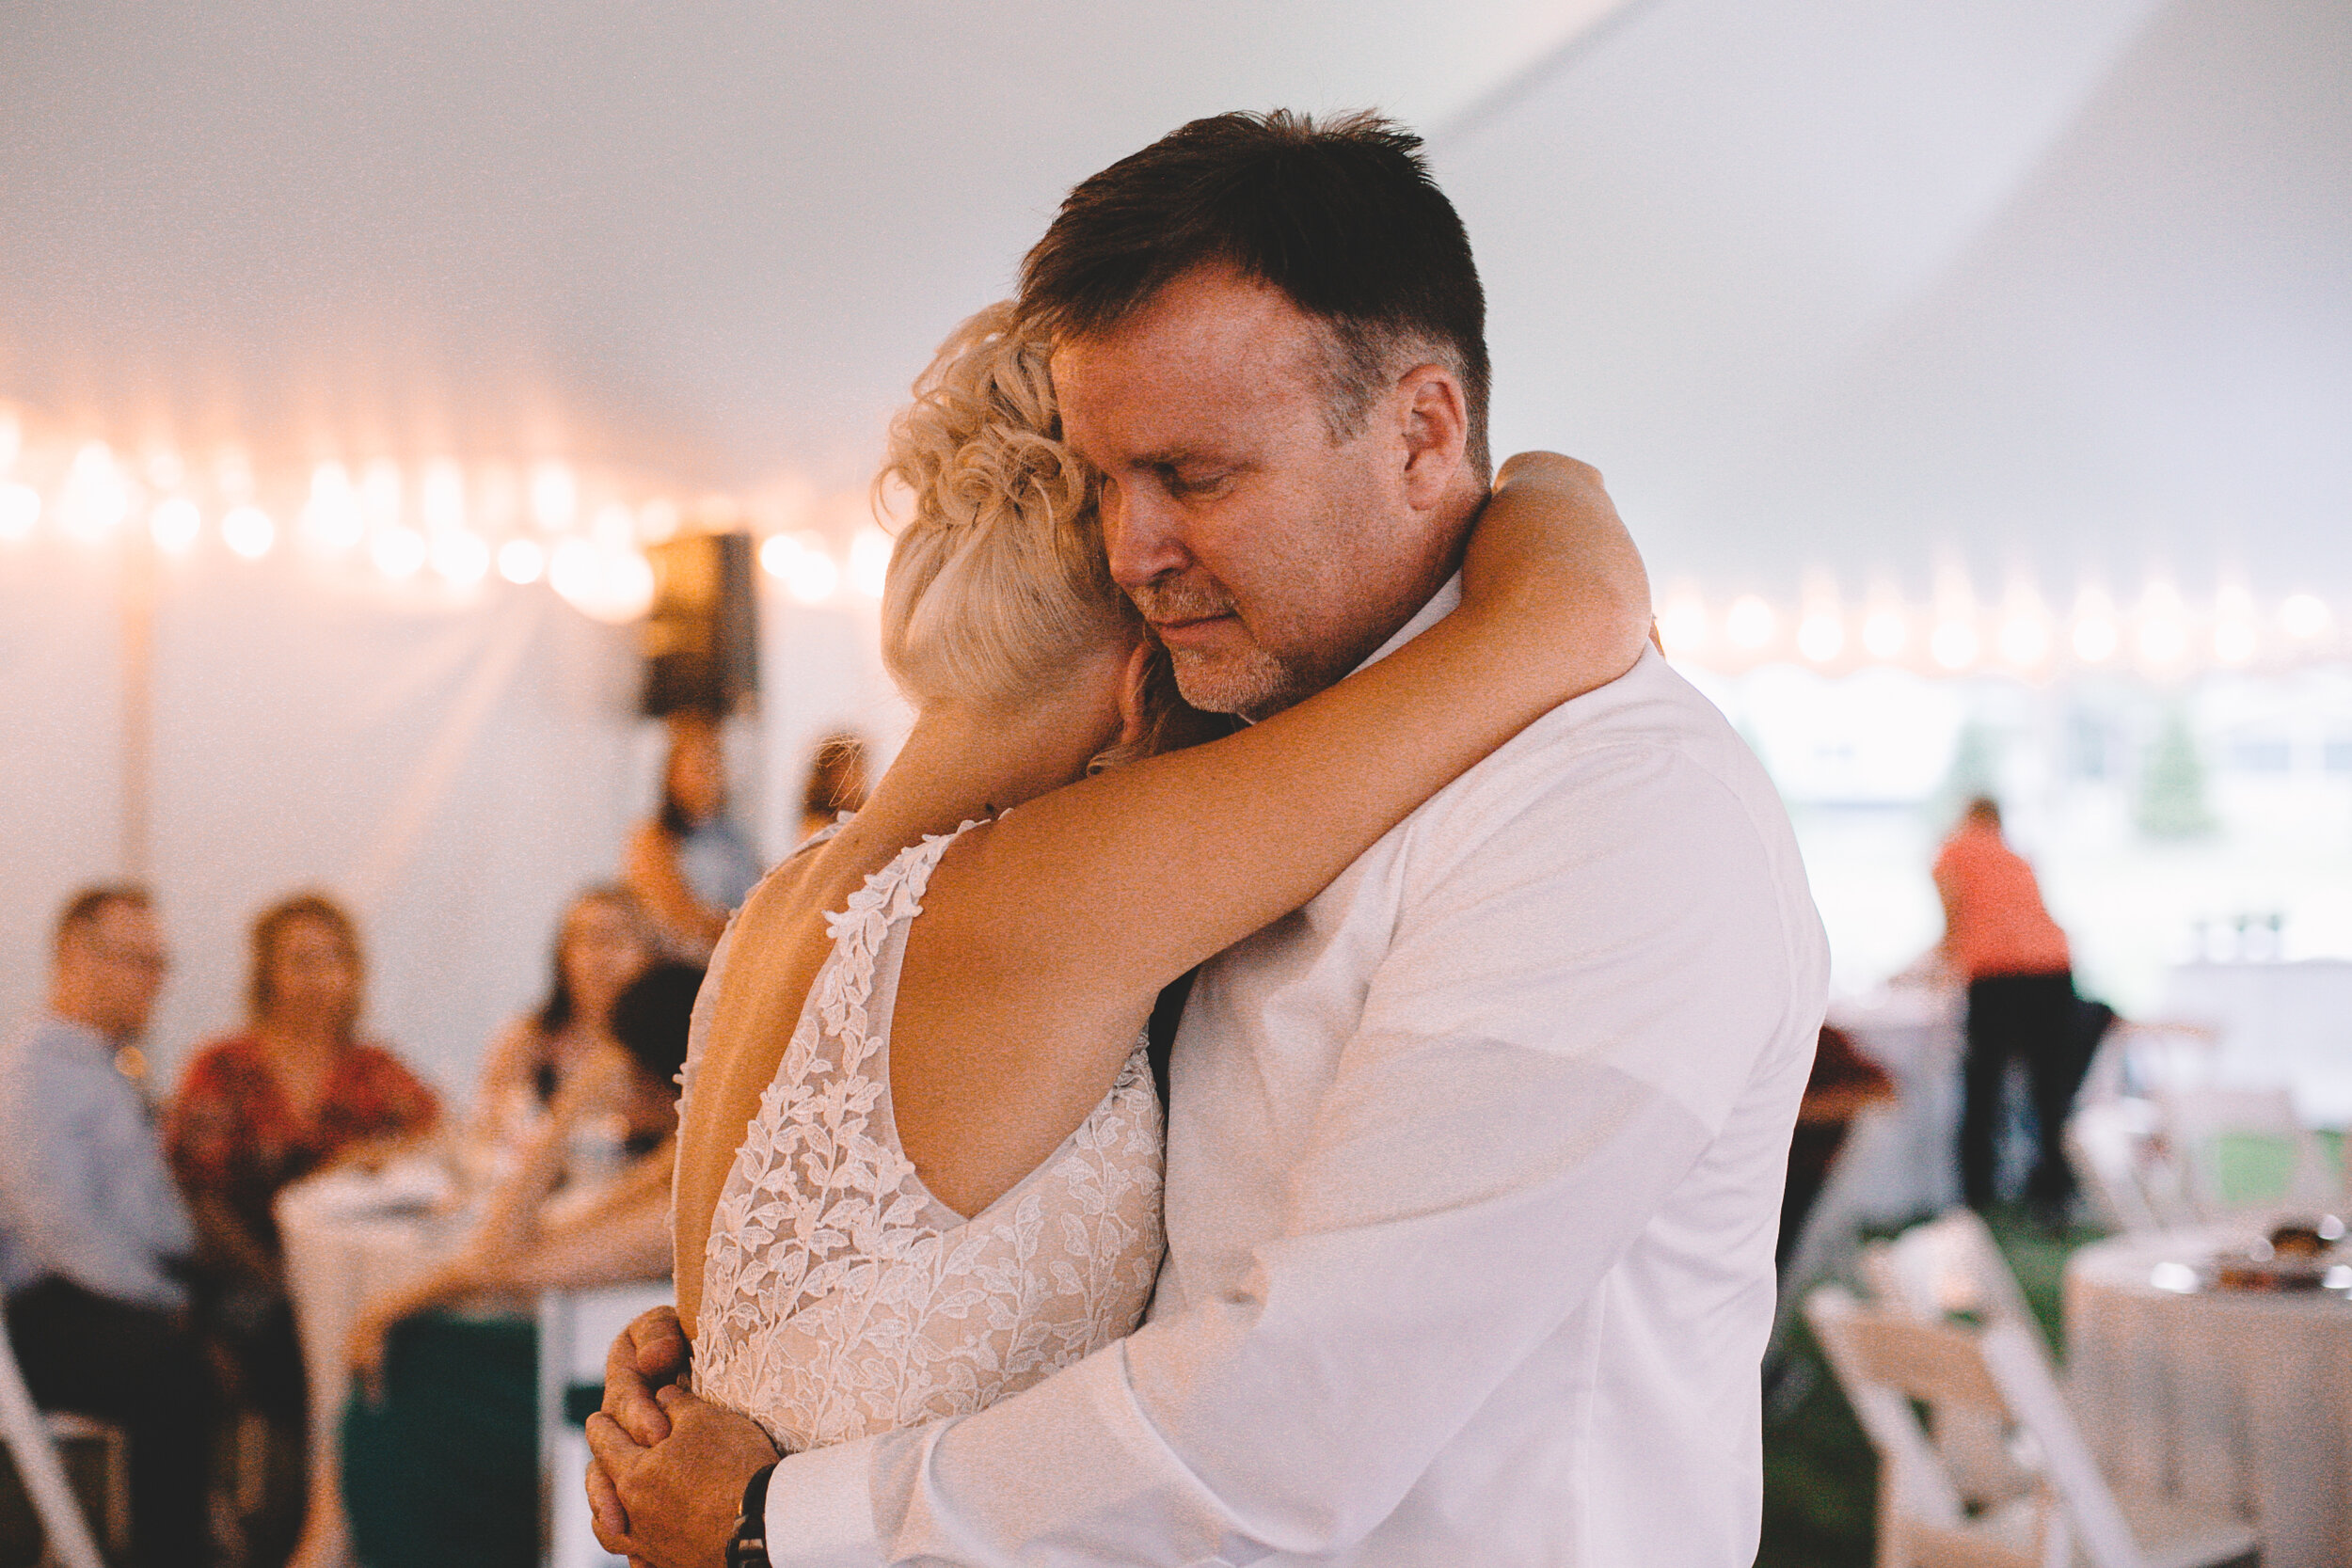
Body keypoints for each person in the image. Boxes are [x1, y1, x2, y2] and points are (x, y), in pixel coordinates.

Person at [595, 110, 1827, 1568]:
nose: (1131, 550)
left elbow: (1297, 1418)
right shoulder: (1239, 769)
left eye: (1195, 475)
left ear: (1426, 433)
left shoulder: (1612, 808)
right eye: (1108, 482)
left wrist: (769, 1515)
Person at [338, 961, 697, 1568]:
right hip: (595, 1388)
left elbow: (499, 1263)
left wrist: (567, 1113)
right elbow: (518, 1247)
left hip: (620, 1417)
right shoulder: (678, 1157)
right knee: (406, 1358)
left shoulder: (687, 1189)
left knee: (407, 1366)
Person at [166, 894, 441, 1436]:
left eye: (336, 959)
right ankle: (309, 1494)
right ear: (268, 972)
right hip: (246, 1275)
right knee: (298, 1340)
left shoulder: (373, 1069)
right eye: (304, 961)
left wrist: (376, 1156)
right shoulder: (224, 1065)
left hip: (356, 1276)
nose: (322, 977)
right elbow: (194, 1193)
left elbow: (439, 1141)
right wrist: (279, 1279)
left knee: (414, 1335)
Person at [0, 885, 215, 1568]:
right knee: (175, 1372)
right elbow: (58, 1229)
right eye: (139, 960)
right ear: (77, 957)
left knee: (264, 1323)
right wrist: (166, 1299)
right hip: (45, 1307)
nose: (156, 980)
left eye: (160, 961)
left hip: (109, 1282)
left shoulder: (106, 1060)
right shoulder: (34, 1073)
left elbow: (143, 1206)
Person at [1933, 795, 2083, 1215]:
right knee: (2048, 1088)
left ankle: (1977, 1194)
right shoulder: (2015, 857)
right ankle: (2054, 1191)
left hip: (1998, 975)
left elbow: (1953, 923)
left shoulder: (1953, 851)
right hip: (2053, 970)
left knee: (1984, 1084)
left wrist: (1936, 972)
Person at [469, 885, 656, 1152]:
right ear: (561, 954)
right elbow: (487, 1134)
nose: (600, 958)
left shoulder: (662, 1048)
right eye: (586, 940)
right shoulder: (527, 1040)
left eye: (615, 939)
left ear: (647, 953)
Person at [627, 710, 765, 959]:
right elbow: (671, 910)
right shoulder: (653, 837)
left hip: (739, 951)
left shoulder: (735, 837)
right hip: (684, 963)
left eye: (716, 765)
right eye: (699, 768)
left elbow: (762, 889)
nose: (710, 778)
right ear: (673, 774)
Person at [795, 731, 869, 844]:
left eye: (860, 769)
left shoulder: (866, 814)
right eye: (847, 771)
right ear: (829, 775)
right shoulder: (816, 825)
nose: (857, 779)